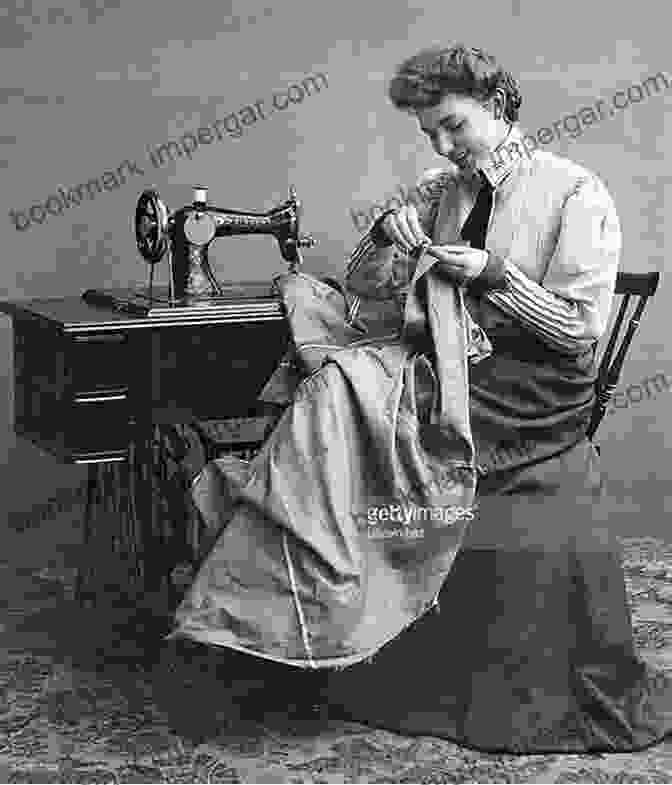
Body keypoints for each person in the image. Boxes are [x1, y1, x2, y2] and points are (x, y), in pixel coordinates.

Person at [319, 44, 672, 752]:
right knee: (345, 391)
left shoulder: (576, 192)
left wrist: (495, 273)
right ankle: (352, 623)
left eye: (454, 126)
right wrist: (387, 237)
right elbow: (367, 288)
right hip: (467, 367)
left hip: (540, 384)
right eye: (431, 135)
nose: (445, 147)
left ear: (500, 108)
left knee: (376, 410)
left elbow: (577, 331)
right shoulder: (441, 188)